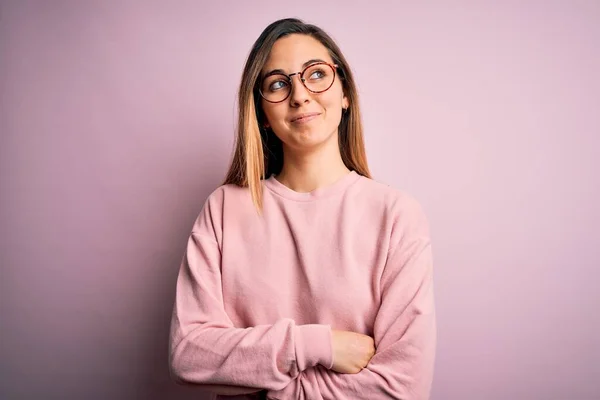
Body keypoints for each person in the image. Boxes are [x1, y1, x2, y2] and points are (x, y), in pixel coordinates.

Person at [168, 17, 436, 400]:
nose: (299, 95)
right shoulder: (223, 208)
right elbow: (188, 355)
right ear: (261, 112)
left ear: (345, 93)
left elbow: (402, 388)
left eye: (316, 74)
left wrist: (260, 384)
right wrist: (317, 346)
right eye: (278, 83)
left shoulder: (396, 215)